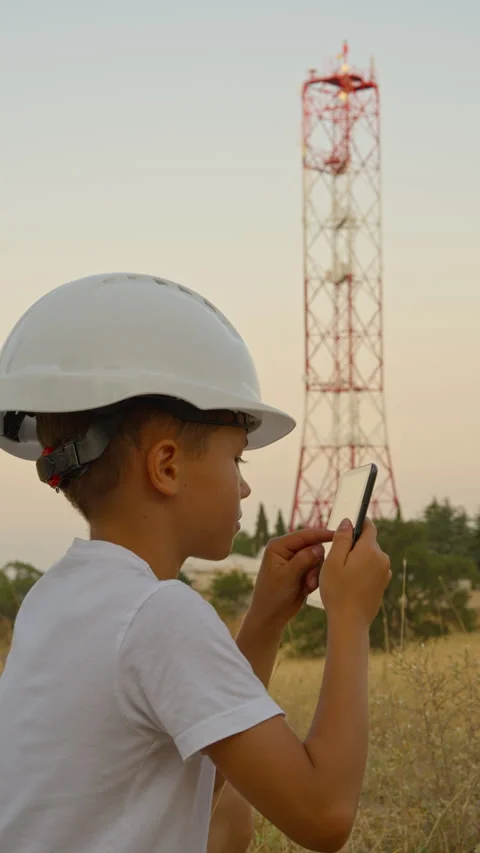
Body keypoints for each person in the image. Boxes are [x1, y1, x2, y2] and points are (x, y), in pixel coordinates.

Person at [0, 273, 391, 853]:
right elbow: (324, 815)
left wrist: (262, 622)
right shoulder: (158, 612)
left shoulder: (56, 599)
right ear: (167, 467)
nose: (244, 489)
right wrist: (350, 618)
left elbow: (188, 782)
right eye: (236, 459)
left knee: (231, 820)